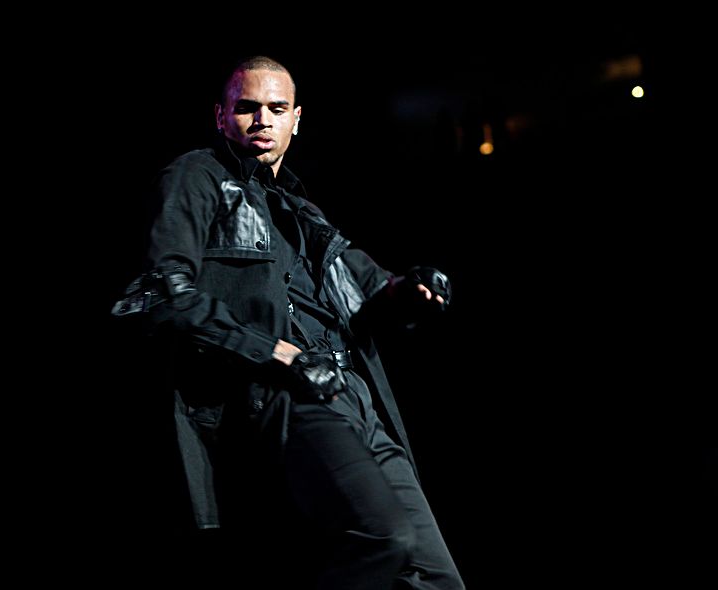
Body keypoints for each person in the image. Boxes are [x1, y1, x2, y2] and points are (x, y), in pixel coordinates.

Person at [112, 55, 465, 589]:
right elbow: (165, 294)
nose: (262, 120)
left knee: (435, 576)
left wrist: (414, 291)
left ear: (296, 120)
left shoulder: (303, 213)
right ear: (220, 116)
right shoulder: (198, 176)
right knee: (384, 538)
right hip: (283, 394)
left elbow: (371, 291)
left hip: (353, 395)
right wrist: (276, 352)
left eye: (277, 109)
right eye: (247, 108)